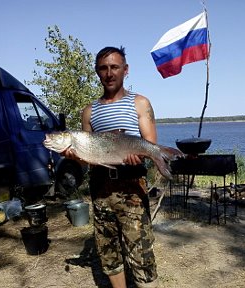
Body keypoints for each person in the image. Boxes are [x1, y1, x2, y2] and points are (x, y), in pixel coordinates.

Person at [66, 46, 158, 288]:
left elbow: (150, 145)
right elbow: (88, 155)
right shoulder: (89, 112)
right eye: (103, 68)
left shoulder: (140, 103)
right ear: (97, 72)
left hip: (132, 187)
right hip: (101, 187)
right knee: (108, 251)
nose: (109, 73)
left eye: (114, 67)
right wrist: (75, 156)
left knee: (140, 251)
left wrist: (140, 156)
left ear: (125, 70)